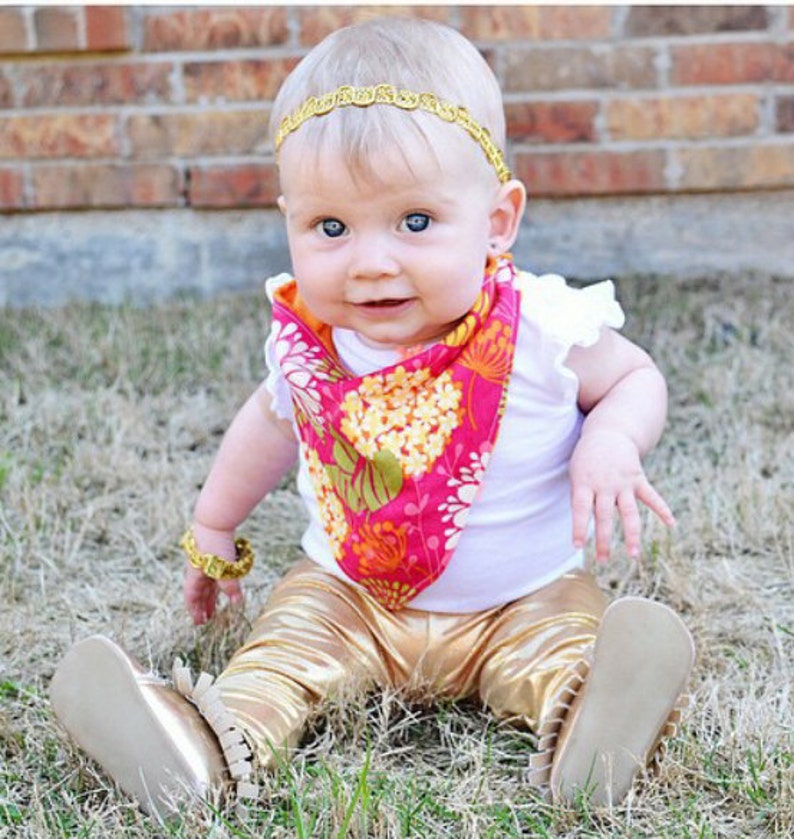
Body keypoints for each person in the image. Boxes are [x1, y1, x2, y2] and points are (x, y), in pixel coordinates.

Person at [51, 17, 695, 820]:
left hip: (522, 598)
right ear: (289, 220)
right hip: (352, 596)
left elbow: (636, 376)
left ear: (498, 221)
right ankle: (201, 746)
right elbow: (265, 425)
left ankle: (593, 731)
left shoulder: (537, 323)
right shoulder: (311, 349)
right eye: (331, 227)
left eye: (415, 222)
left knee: (568, 644)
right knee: (285, 651)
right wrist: (213, 527)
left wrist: (610, 436)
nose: (371, 260)